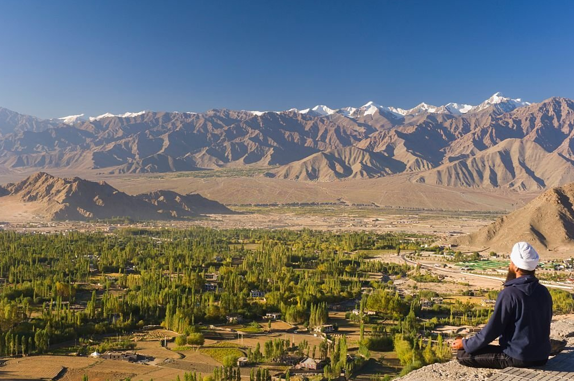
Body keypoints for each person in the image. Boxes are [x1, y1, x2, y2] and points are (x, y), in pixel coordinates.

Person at [451, 242, 552, 369]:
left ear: (515, 267)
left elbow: (491, 331)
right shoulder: (543, 291)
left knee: (463, 355)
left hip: (517, 357)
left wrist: (465, 344)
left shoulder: (509, 294)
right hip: (542, 357)